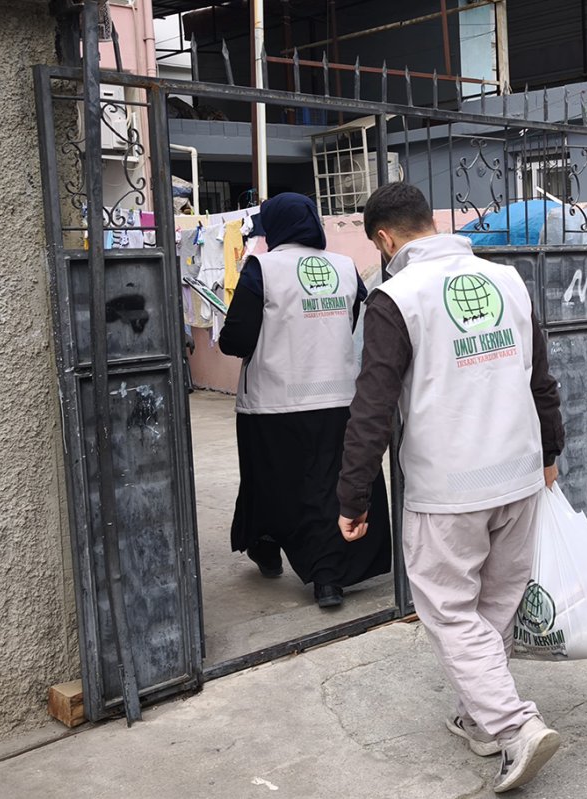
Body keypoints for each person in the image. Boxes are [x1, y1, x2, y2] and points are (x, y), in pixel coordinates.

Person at [336, 182, 565, 793]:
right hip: (517, 474)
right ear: (430, 223)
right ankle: (481, 719)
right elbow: (540, 376)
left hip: (450, 486)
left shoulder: (395, 297)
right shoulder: (508, 281)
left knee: (449, 609)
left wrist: (352, 496)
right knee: (497, 600)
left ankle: (515, 726)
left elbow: (373, 406)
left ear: (385, 239)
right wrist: (551, 452)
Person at [219, 192, 390, 609]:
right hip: (337, 399)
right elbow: (353, 320)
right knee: (330, 488)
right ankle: (328, 577)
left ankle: (268, 546)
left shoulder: (264, 267)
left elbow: (237, 339)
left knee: (273, 482)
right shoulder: (346, 267)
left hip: (275, 402)